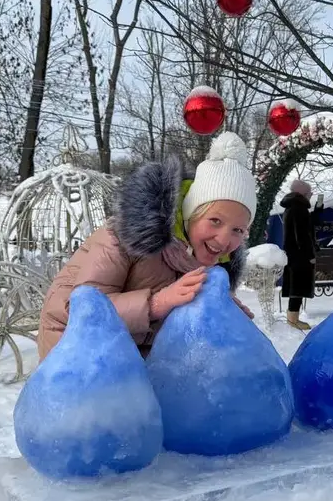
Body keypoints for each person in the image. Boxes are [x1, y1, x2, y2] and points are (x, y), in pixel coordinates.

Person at [37, 132, 254, 360]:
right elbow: (84, 310)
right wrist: (156, 303)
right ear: (190, 214)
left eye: (238, 230)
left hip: (133, 354)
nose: (224, 240)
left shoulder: (210, 259)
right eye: (215, 221)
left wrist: (218, 307)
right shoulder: (123, 237)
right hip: (73, 354)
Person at [279, 179, 322, 331]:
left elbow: (306, 227)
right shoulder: (299, 208)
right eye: (309, 192)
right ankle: (293, 319)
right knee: (298, 287)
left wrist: (317, 212)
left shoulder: (292, 207)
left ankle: (293, 318)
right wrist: (310, 254)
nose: (311, 195)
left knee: (296, 286)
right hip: (300, 255)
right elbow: (302, 235)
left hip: (293, 254)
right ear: (303, 193)